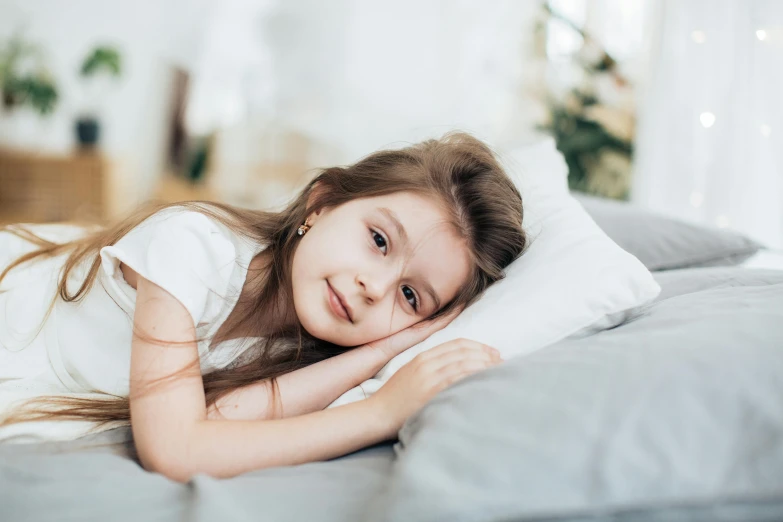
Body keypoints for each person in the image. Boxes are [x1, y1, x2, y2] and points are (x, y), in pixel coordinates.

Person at [0, 131, 526, 482]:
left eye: (410, 296)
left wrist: (381, 352)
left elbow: (220, 420)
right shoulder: (192, 246)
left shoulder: (303, 348)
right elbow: (177, 450)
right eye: (379, 241)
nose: (373, 286)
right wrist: (382, 411)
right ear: (321, 204)